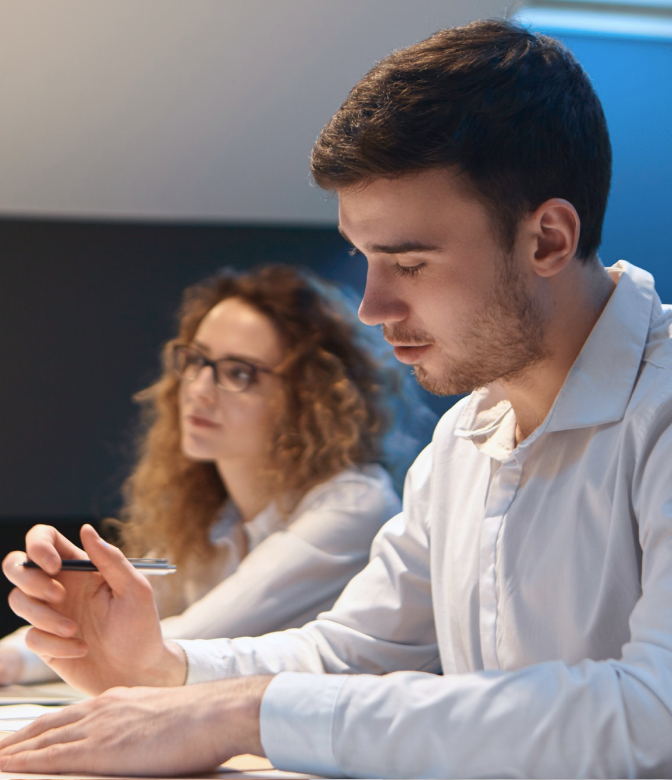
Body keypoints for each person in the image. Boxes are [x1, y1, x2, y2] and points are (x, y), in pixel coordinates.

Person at [2, 18, 672, 778]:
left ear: (548, 238)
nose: (371, 307)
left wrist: (235, 714)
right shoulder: (463, 439)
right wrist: (162, 668)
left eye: (409, 263)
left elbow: (654, 715)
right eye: (364, 258)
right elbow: (353, 651)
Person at [0, 263, 420, 686]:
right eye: (196, 360)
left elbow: (176, 641)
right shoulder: (210, 513)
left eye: (239, 372)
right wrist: (15, 654)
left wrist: (53, 642)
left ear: (309, 396)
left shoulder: (353, 504)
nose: (198, 389)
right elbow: (140, 630)